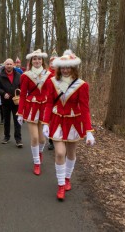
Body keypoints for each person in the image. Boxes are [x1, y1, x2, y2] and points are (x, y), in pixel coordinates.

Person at [42, 49, 95, 201]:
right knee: (59, 152)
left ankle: (67, 178)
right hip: (57, 121)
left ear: (73, 68)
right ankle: (60, 185)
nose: (65, 70)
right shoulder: (52, 82)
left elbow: (85, 108)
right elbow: (48, 103)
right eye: (63, 67)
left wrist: (89, 131)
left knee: (71, 153)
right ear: (59, 68)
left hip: (73, 122)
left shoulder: (82, 85)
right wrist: (46, 122)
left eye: (68, 67)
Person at [16, 49, 52, 175]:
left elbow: (52, 94)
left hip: (45, 108)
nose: (37, 61)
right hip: (31, 108)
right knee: (35, 137)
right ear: (31, 61)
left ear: (42, 60)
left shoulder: (50, 75)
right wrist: (20, 113)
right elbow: (22, 95)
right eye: (34, 59)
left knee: (42, 140)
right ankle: (36, 162)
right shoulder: (25, 75)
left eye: (39, 59)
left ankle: (39, 152)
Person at [0, 59, 22, 147]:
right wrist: (3, 93)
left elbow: (22, 86)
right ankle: (6, 136)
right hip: (5, 101)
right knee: (6, 120)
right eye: (7, 64)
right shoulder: (0, 75)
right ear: (5, 65)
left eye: (10, 64)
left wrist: (20, 94)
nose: (9, 66)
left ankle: (18, 139)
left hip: (16, 101)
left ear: (13, 65)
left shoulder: (18, 75)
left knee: (17, 120)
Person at [47, 49, 58, 151]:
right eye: (51, 62)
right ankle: (51, 141)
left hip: (58, 101)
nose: (53, 64)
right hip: (48, 101)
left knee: (57, 121)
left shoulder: (61, 74)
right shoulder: (46, 74)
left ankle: (57, 139)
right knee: (50, 121)